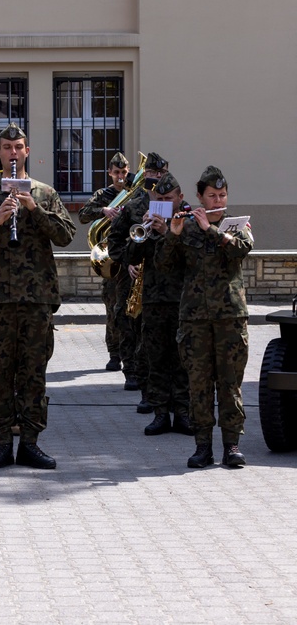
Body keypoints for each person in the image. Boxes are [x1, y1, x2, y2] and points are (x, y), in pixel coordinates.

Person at [0, 123, 76, 470]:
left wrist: (34, 210)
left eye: (19, 147)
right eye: (7, 147)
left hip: (35, 298)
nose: (13, 153)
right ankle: (0, 445)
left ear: (27, 152)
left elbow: (67, 235)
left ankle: (30, 443)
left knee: (32, 374)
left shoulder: (43, 192)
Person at [160, 166, 253, 468]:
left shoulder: (238, 226)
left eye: (222, 195)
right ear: (199, 197)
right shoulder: (185, 227)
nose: (217, 201)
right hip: (195, 319)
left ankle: (232, 445)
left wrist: (211, 230)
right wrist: (173, 235)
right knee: (198, 385)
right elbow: (164, 266)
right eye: (211, 196)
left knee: (229, 384)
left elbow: (240, 250)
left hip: (229, 318)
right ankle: (203, 446)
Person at [124, 172, 192, 436]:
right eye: (159, 199)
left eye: (168, 198)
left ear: (180, 198)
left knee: (182, 360)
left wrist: (168, 233)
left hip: (182, 300)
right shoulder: (149, 223)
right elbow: (131, 256)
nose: (164, 202)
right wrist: (140, 234)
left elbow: (189, 258)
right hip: (153, 300)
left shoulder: (189, 223)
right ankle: (161, 413)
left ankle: (183, 413)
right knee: (156, 359)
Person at [109, 152, 168, 412]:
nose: (155, 178)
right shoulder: (132, 206)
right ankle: (134, 375)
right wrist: (127, 262)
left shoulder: (175, 203)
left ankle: (165, 392)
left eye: (160, 174)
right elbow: (114, 240)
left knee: (160, 335)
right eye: (151, 174)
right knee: (130, 324)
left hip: (165, 280)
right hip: (135, 277)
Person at [78, 152, 130, 372]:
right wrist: (103, 210)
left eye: (124, 173)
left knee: (129, 311)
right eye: (116, 172)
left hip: (130, 257)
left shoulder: (133, 193)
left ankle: (131, 355)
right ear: (110, 173)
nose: (120, 176)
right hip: (110, 259)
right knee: (112, 310)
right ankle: (114, 354)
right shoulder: (104, 194)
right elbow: (82, 214)